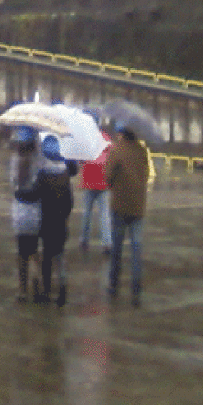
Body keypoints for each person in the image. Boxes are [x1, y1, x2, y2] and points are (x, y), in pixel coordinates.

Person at [104, 126, 151, 307]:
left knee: (117, 248)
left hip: (120, 206)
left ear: (122, 134)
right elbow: (146, 175)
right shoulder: (142, 151)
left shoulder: (117, 150)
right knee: (136, 249)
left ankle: (114, 286)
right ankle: (136, 289)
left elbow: (107, 177)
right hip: (138, 207)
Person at [30, 135, 79, 306]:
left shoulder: (43, 175)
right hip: (61, 223)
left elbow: (34, 194)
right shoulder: (65, 175)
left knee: (47, 258)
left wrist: (20, 193)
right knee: (60, 257)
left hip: (46, 222)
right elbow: (69, 202)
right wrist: (65, 216)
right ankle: (63, 289)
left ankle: (46, 291)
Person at [10, 126, 41, 302]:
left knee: (21, 252)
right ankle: (36, 281)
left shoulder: (16, 160)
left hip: (20, 213)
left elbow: (13, 182)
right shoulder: (38, 160)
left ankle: (22, 289)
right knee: (34, 250)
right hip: (36, 211)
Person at [79, 125, 113, 255]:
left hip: (89, 181)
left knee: (87, 212)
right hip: (104, 183)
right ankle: (107, 243)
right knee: (104, 214)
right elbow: (112, 158)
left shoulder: (86, 140)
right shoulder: (107, 140)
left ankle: (84, 240)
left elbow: (80, 160)